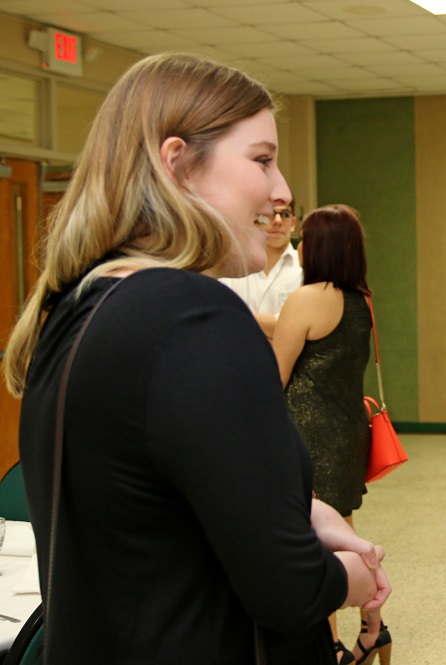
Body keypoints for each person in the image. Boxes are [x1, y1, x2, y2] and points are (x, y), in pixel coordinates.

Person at [2, 53, 390, 664]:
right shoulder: (194, 316)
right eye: (262, 159)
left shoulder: (82, 306)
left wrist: (293, 510)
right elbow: (288, 590)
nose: (281, 190)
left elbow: (150, 501)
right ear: (177, 163)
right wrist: (356, 579)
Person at [271, 204, 391, 665]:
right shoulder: (360, 300)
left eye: (305, 239)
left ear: (319, 247)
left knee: (317, 545)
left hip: (306, 435)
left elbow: (274, 378)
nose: (299, 247)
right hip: (345, 434)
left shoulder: (307, 298)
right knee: (344, 535)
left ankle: (330, 649)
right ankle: (372, 630)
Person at [219, 198, 302, 339]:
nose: (277, 221)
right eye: (270, 214)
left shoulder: (304, 269)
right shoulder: (234, 268)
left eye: (285, 215)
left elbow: (299, 326)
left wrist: (238, 317)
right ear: (257, 221)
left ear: (293, 223)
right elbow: (219, 319)